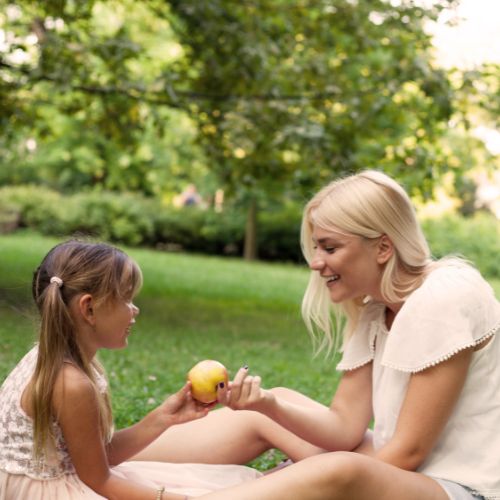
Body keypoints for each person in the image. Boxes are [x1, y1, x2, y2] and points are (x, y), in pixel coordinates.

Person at [133, 170, 500, 500]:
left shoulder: (445, 296)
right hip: (406, 476)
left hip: (461, 489)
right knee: (273, 409)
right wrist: (266, 406)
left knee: (341, 470)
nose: (315, 262)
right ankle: (93, 458)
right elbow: (344, 426)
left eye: (329, 247)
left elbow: (408, 453)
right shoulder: (376, 309)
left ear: (383, 247)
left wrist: (306, 477)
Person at [0, 240, 261, 499]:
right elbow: (99, 480)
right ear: (89, 308)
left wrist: (162, 418)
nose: (134, 310)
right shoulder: (70, 383)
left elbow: (96, 456)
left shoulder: (52, 357)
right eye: (126, 298)